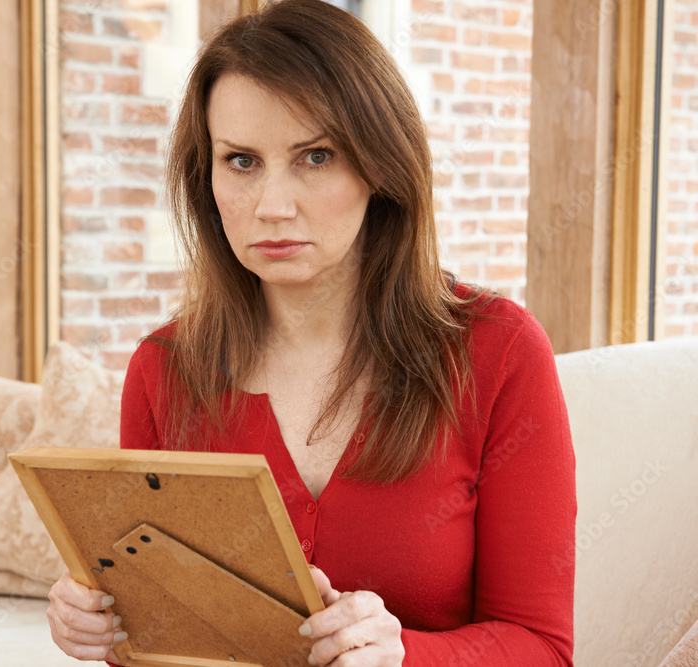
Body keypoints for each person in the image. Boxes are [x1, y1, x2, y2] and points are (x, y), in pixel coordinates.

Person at [46, 1, 576, 665]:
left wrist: (403, 655)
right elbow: (164, 637)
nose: (272, 206)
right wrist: (107, 630)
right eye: (241, 161)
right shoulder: (163, 369)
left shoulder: (500, 352)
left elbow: (543, 647)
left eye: (315, 156)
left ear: (381, 167)